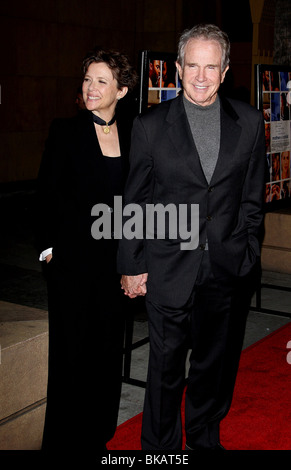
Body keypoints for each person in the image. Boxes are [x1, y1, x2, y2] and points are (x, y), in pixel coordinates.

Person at [117, 24, 266, 450]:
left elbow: (252, 200)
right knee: (165, 368)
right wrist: (132, 265)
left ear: (225, 71)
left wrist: (248, 252)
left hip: (226, 267)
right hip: (167, 269)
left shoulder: (251, 122)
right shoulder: (149, 126)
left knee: (213, 367)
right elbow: (134, 205)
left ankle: (203, 440)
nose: (201, 76)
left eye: (211, 67)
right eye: (193, 66)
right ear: (179, 68)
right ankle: (160, 451)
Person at [36, 48, 138, 457]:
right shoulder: (66, 130)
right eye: (87, 80)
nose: (90, 88)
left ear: (122, 90)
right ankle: (65, 441)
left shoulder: (134, 132)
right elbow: (45, 194)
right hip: (72, 265)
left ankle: (97, 434)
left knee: (108, 349)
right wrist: (47, 251)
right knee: (71, 353)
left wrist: (139, 257)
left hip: (115, 265)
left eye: (101, 81)